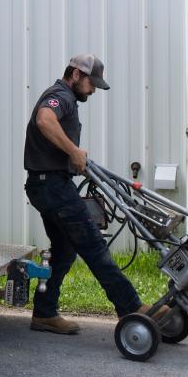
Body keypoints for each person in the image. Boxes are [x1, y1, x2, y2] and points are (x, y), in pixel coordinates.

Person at [23, 53, 167, 334]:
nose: (93, 91)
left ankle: (44, 313)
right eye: (91, 84)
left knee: (64, 251)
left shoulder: (67, 98)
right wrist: (73, 151)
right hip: (52, 186)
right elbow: (44, 119)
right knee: (93, 246)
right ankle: (131, 308)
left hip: (48, 185)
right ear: (76, 75)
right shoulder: (60, 95)